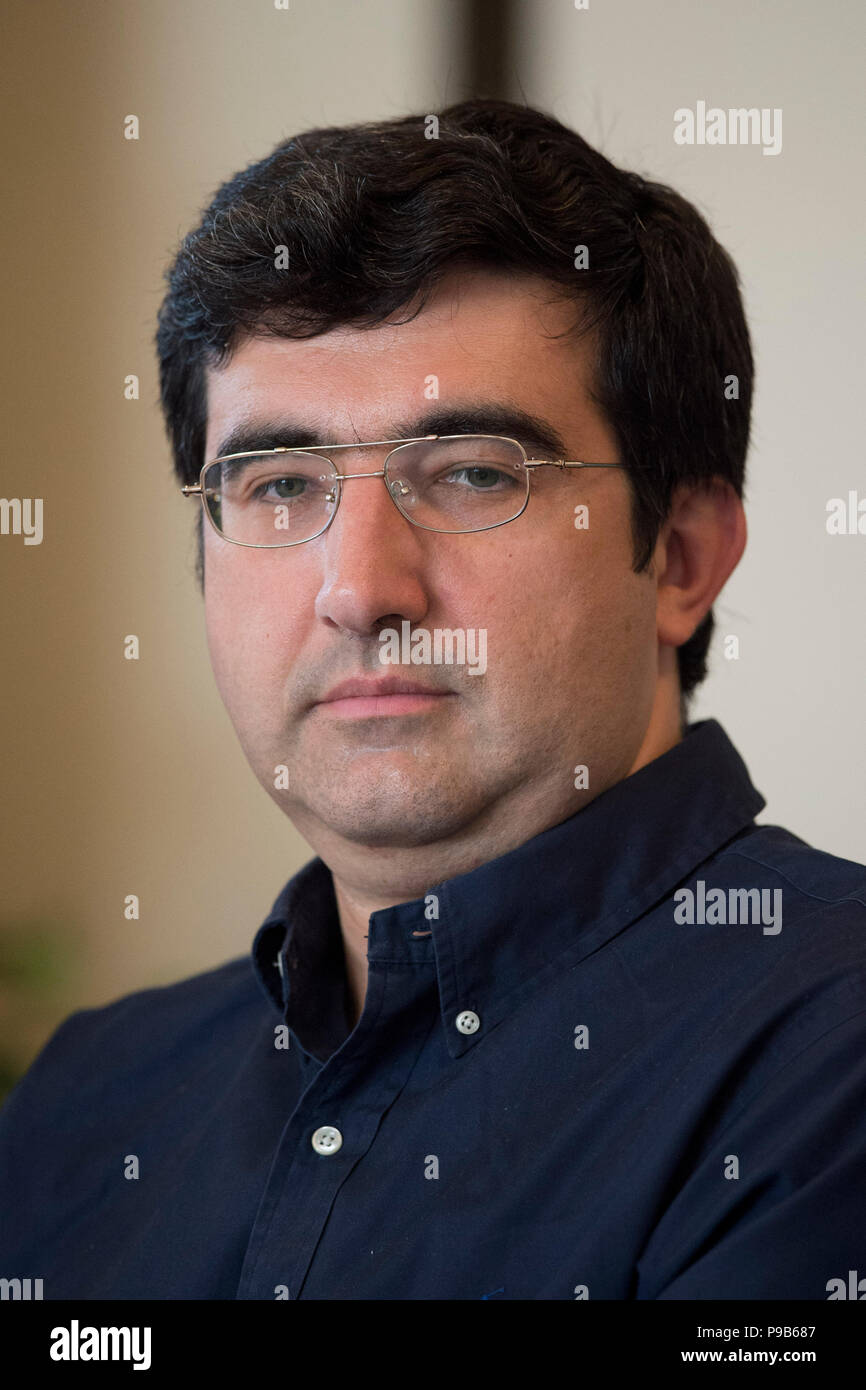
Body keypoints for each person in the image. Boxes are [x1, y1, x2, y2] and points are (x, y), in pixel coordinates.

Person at [1, 99, 864, 1302]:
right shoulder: (89, 1096)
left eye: (469, 474)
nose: (358, 589)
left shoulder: (830, 1054)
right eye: (279, 483)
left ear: (678, 554)